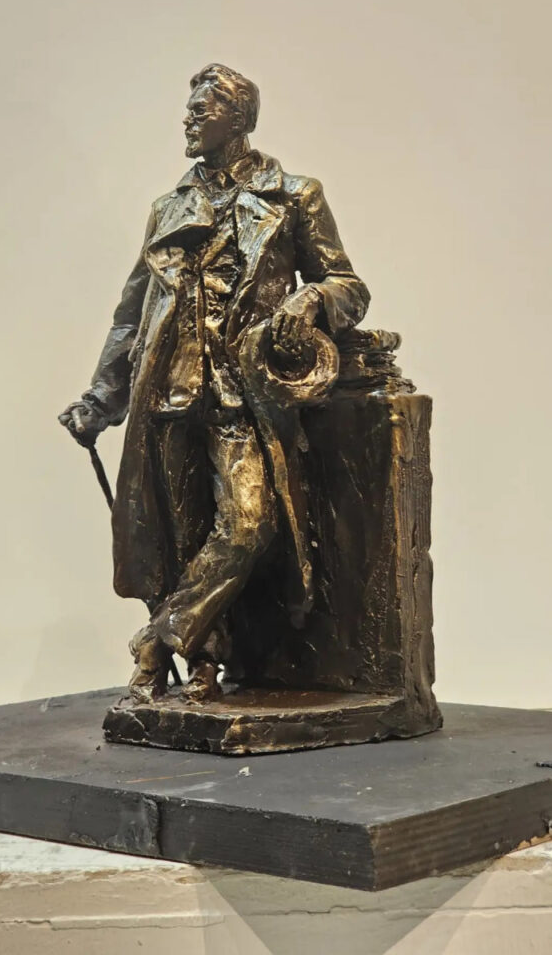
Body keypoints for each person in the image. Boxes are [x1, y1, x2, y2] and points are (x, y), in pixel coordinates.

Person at [60, 63, 370, 702]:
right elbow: (131, 316)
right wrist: (99, 400)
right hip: (170, 394)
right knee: (181, 539)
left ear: (239, 119)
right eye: (190, 110)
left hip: (245, 395)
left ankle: (157, 641)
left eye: (201, 111)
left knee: (249, 525)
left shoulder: (294, 196)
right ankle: (200, 660)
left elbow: (349, 286)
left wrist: (311, 299)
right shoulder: (167, 209)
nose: (188, 120)